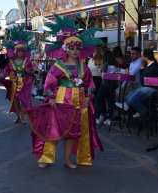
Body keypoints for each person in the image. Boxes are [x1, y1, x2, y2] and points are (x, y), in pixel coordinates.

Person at [27, 14, 104, 168]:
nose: (75, 51)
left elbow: (90, 84)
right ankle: (46, 158)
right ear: (66, 49)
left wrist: (89, 96)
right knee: (55, 128)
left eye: (77, 48)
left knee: (74, 132)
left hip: (80, 102)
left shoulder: (85, 67)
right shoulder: (58, 67)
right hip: (62, 100)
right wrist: (51, 97)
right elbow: (48, 83)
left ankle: (67, 159)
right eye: (72, 48)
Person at [0, 26, 35, 124]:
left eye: (22, 51)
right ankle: (18, 117)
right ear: (15, 52)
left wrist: (28, 71)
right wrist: (1, 76)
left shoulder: (27, 61)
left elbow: (32, 72)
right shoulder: (11, 62)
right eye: (19, 51)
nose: (21, 53)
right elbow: (5, 71)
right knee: (16, 101)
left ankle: (22, 117)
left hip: (25, 84)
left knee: (23, 101)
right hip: (14, 84)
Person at [120, 48, 158, 119]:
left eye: (142, 56)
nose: (141, 58)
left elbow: (143, 78)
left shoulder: (154, 66)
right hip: (145, 87)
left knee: (131, 100)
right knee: (128, 97)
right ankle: (133, 109)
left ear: (146, 57)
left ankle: (144, 111)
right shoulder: (148, 65)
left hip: (151, 88)